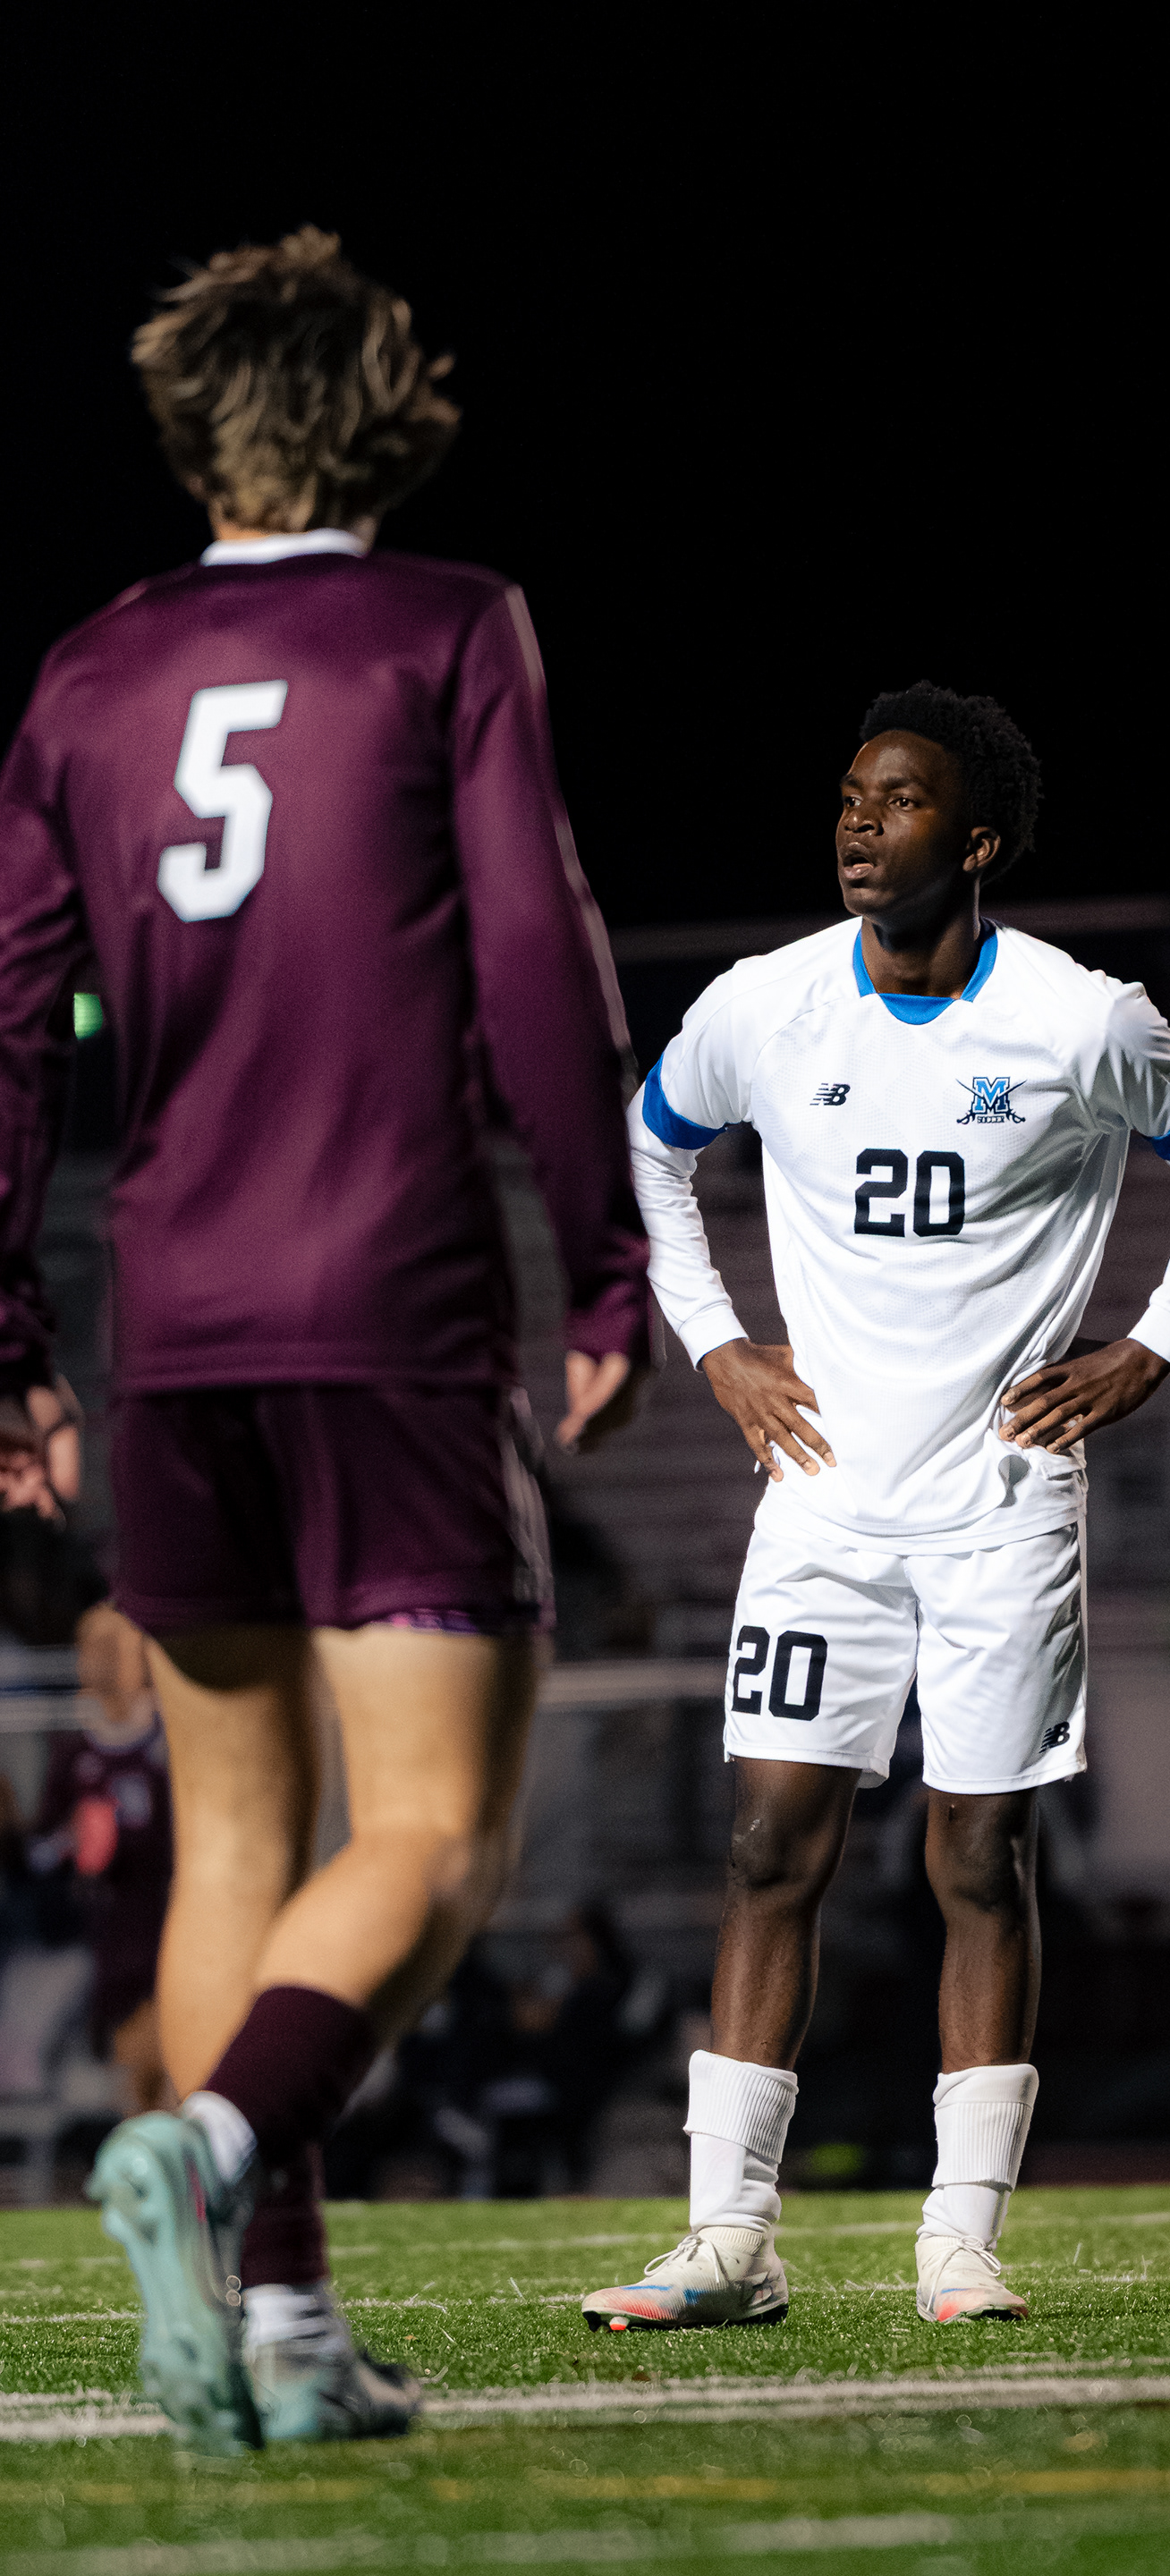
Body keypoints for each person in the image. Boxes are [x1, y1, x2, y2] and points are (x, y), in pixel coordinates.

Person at [0, 229, 649, 2451]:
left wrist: (7, 1330)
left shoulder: (85, 674)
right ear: (384, 409)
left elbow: (13, 1030)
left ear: (193, 425)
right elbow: (540, 956)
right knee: (439, 1838)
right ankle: (211, 2149)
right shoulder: (447, 625)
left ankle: (277, 2332)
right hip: (387, 1298)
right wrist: (610, 1257)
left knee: (233, 1848)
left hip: (168, 1321)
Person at [581, 682, 1170, 2334]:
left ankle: (961, 2239)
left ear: (974, 843)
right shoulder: (764, 1007)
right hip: (822, 1501)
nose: (857, 823)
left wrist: (1151, 1351)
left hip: (1001, 1504)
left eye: (895, 802)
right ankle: (728, 2241)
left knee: (980, 1854)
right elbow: (649, 1146)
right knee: (769, 1845)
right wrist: (716, 1346)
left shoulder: (1082, 1023)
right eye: (847, 796)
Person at [31, 1603, 175, 2114]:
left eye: (118, 1648)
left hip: (168, 1928)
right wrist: (74, 1840)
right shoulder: (73, 1745)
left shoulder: (169, 1736)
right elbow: (38, 1852)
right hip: (100, 1938)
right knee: (119, 2069)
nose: (106, 1662)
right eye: (94, 1650)